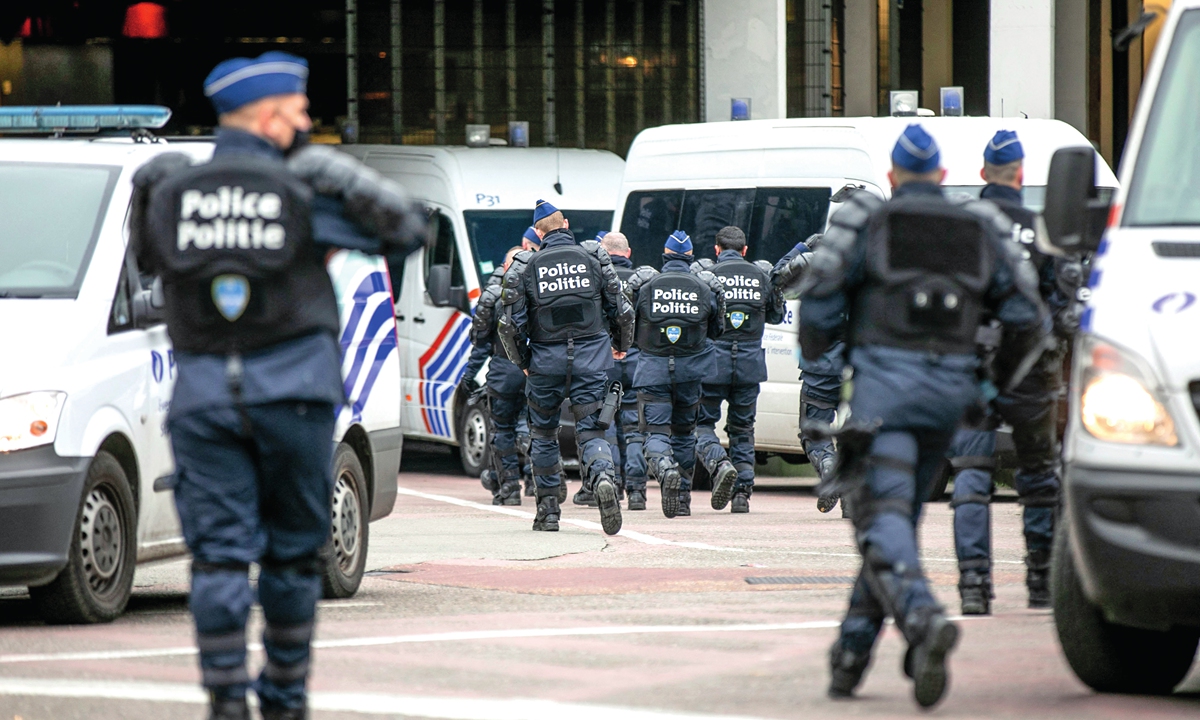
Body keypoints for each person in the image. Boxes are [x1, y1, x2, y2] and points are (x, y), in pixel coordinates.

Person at [130, 52, 427, 720]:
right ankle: (285, 700)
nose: (306, 125)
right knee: (293, 557)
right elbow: (407, 230)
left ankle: (226, 702)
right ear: (268, 116)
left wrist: (147, 193)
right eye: (297, 113)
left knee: (218, 561)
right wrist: (340, 174)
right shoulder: (302, 189)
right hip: (294, 396)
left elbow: (147, 259)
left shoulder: (176, 191)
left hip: (203, 399)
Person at [798, 124, 1047, 707]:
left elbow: (818, 301)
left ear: (892, 178)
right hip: (949, 401)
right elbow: (1028, 316)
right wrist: (990, 383)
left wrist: (826, 375)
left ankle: (923, 616)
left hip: (884, 395)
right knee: (894, 522)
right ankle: (850, 657)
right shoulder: (979, 227)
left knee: (879, 516)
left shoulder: (868, 220)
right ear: (940, 177)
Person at [947, 130, 1079, 614]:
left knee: (970, 474)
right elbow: (1065, 307)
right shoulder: (1043, 229)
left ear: (984, 174)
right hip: (1031, 370)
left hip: (972, 369)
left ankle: (974, 587)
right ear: (1021, 176)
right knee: (1040, 475)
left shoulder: (963, 227)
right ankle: (1042, 581)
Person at [497, 200, 634, 535]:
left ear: (537, 232)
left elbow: (509, 326)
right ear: (566, 223)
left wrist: (524, 363)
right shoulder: (594, 256)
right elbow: (623, 310)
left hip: (545, 364)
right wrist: (621, 346)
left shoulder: (524, 266)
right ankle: (602, 477)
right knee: (592, 430)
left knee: (543, 434)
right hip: (590, 362)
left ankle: (547, 513)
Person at [625, 231, 726, 517]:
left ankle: (665, 469)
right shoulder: (703, 287)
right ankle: (682, 498)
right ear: (691, 257)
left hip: (653, 371)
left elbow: (629, 325)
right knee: (684, 434)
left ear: (665, 256)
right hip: (690, 372)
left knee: (655, 433)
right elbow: (717, 330)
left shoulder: (647, 286)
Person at [695, 226, 785, 513]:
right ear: (745, 250)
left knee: (701, 424)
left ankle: (719, 464)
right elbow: (776, 315)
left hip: (713, 364)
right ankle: (742, 494)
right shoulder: (760, 275)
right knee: (743, 428)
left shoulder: (707, 277)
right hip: (749, 364)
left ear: (716, 249)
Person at [461, 235, 541, 506]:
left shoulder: (493, 296)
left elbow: (480, 344)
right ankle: (538, 481)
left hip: (504, 371)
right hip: (537, 372)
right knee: (534, 427)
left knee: (501, 429)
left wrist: (468, 376)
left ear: (504, 267)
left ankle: (509, 488)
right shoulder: (542, 295)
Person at [773, 235, 848, 515]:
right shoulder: (873, 266)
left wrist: (802, 247)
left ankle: (829, 470)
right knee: (861, 434)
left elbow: (775, 278)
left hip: (822, 367)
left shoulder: (810, 266)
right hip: (864, 366)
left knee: (814, 431)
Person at [597, 231, 651, 510]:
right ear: (628, 253)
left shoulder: (595, 279)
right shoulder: (644, 282)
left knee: (604, 424)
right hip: (636, 360)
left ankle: (611, 484)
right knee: (633, 429)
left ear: (603, 254)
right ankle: (638, 491)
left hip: (603, 361)